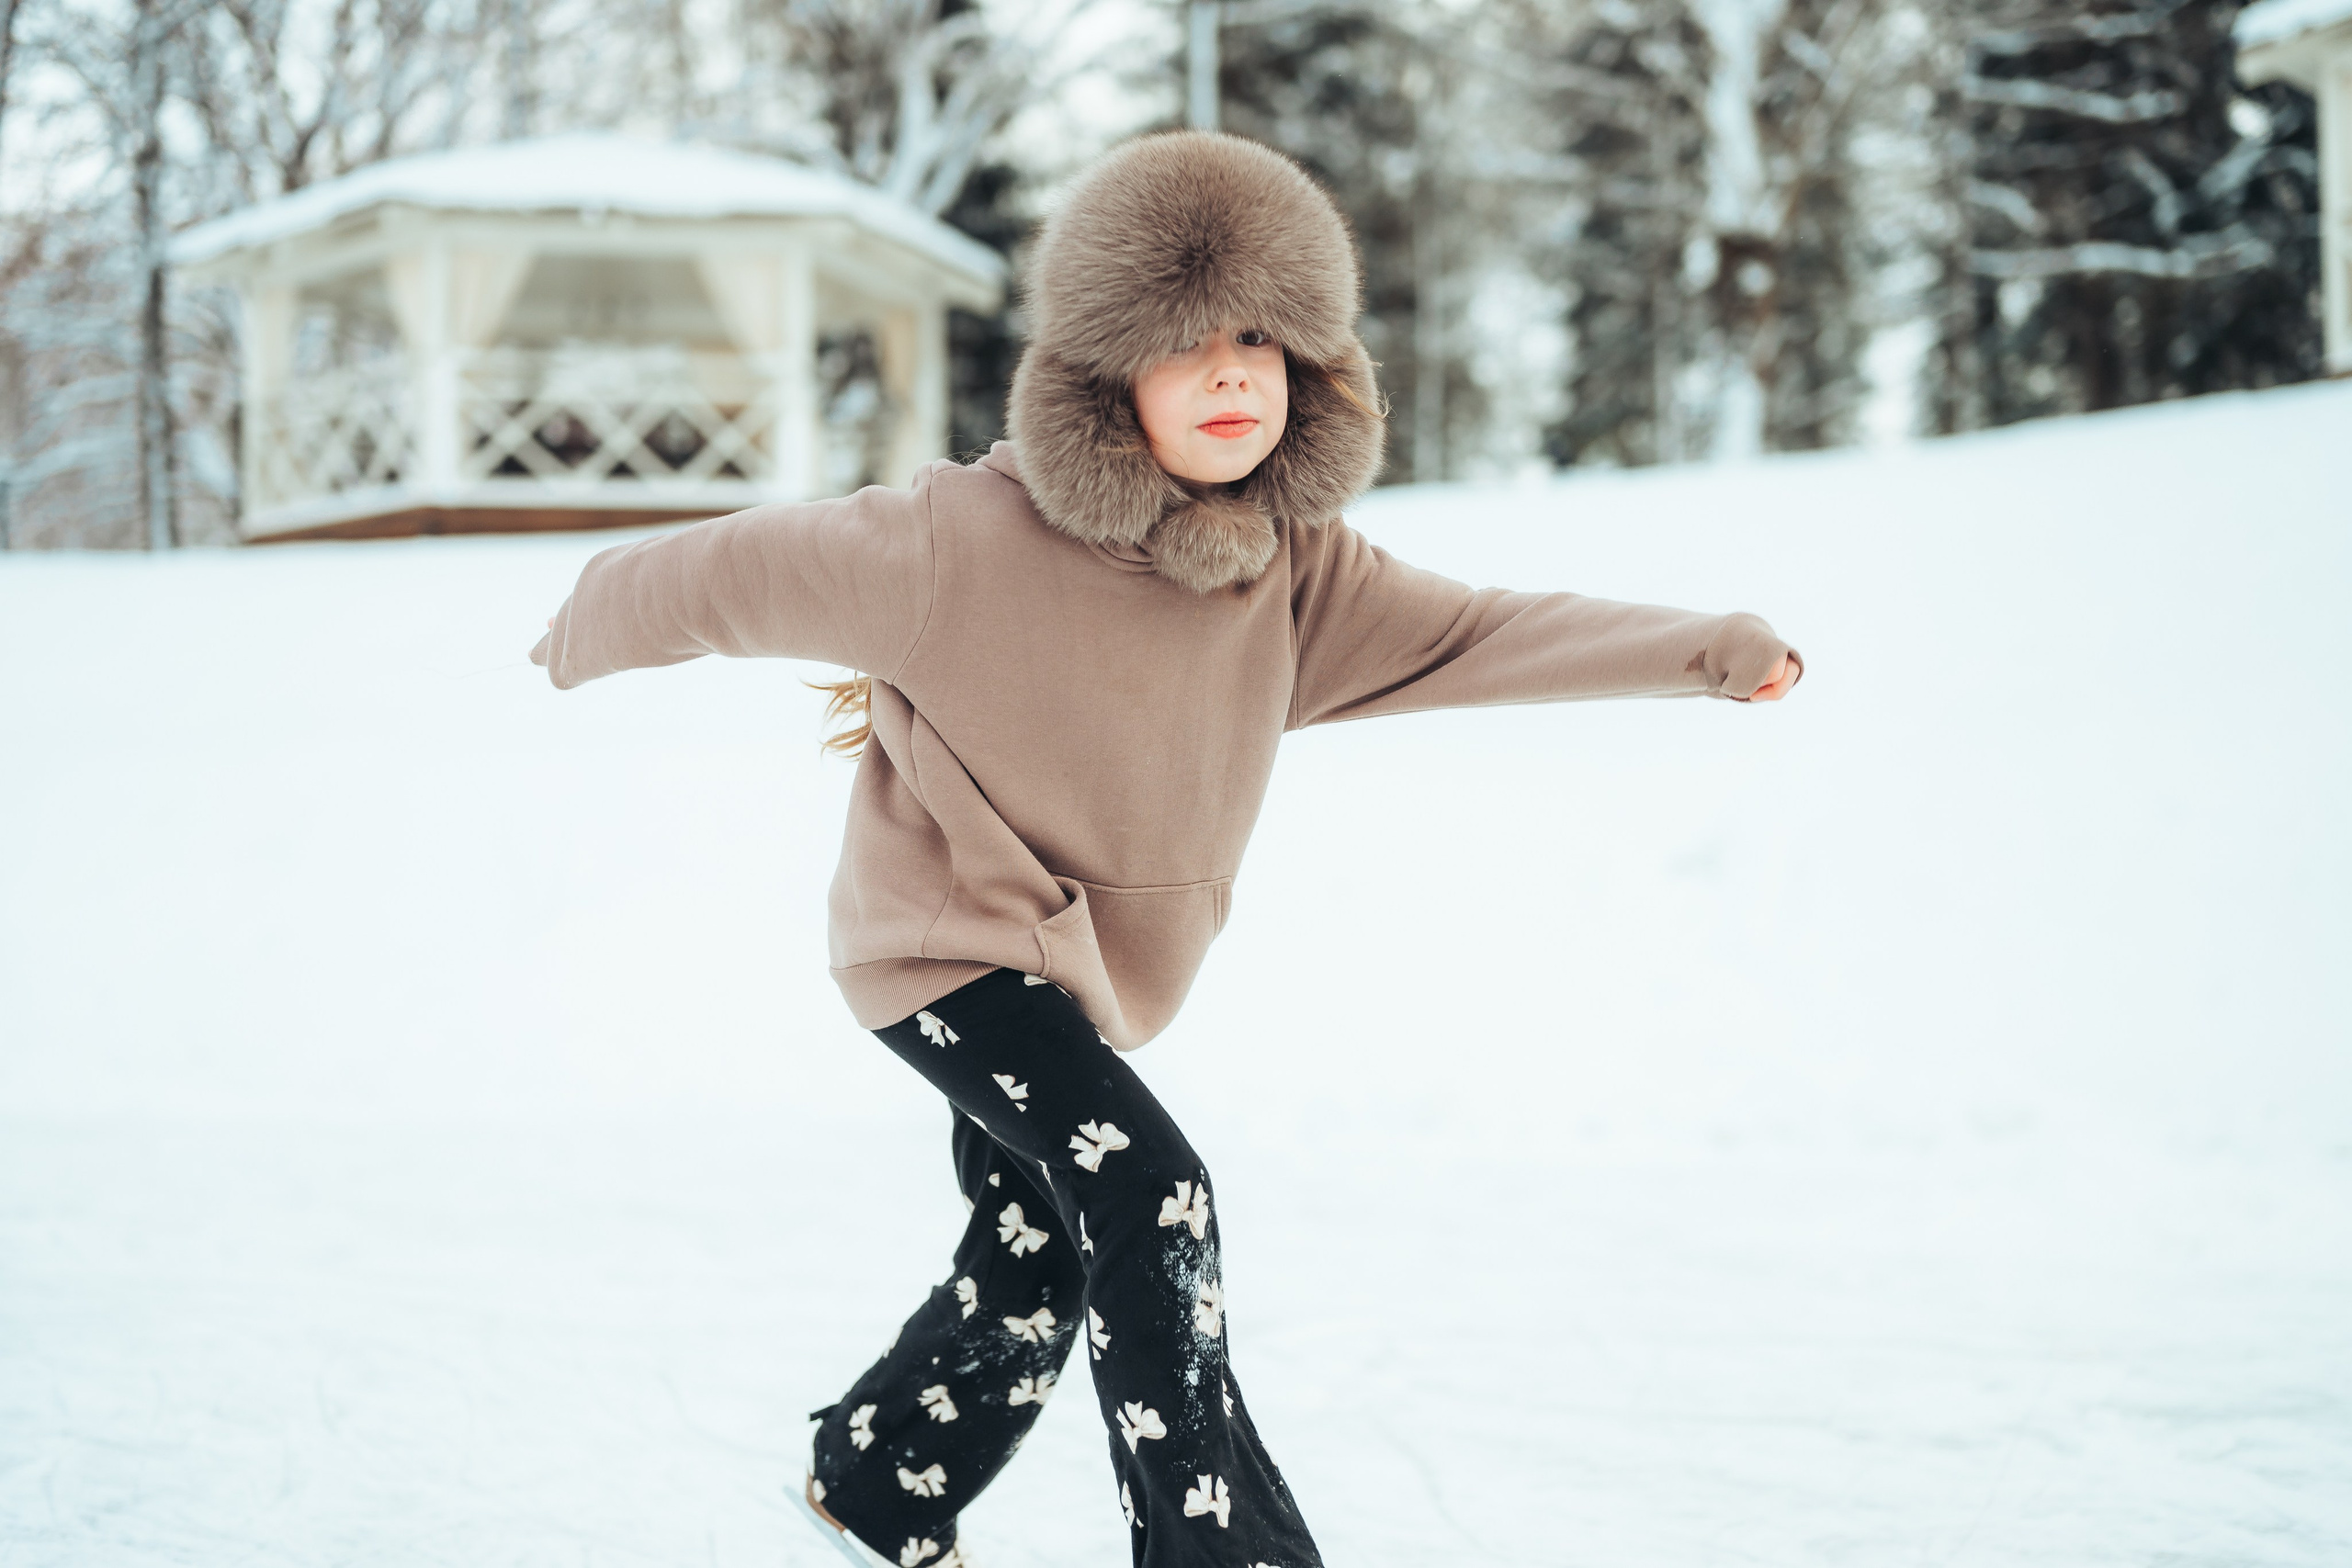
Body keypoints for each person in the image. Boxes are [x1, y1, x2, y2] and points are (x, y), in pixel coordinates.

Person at [529, 130, 1800, 1568]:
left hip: (1080, 979)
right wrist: (586, 627)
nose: (1232, 372)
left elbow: (1483, 633)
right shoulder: (963, 540)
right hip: (939, 960)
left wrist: (1705, 653)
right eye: (1188, 341)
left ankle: (879, 1481)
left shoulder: (1296, 574)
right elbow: (729, 572)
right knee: (1150, 1190)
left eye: (1261, 338)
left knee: (1042, 1252)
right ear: (1108, 370)